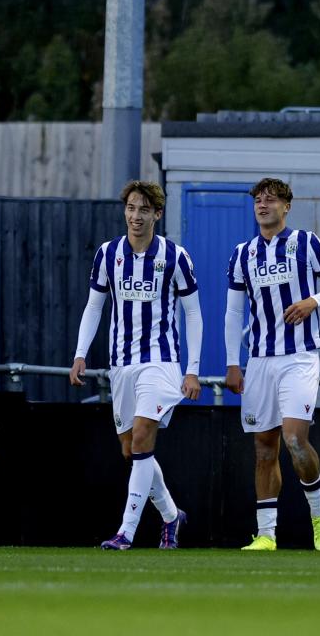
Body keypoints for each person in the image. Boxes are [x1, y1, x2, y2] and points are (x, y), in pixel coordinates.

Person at [69, 180, 203, 550]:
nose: (136, 216)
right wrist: (80, 353)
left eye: (144, 209)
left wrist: (192, 368)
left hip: (160, 362)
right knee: (132, 450)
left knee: (143, 436)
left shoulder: (176, 257)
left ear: (157, 214)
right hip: (121, 366)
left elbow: (193, 313)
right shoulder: (107, 254)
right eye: (131, 208)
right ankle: (173, 517)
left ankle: (126, 532)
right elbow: (94, 306)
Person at [224, 178, 320, 551]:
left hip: (300, 356)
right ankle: (266, 534)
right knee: (264, 448)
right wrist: (233, 362)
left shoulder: (307, 244)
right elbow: (233, 311)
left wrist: (312, 302)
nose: (263, 205)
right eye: (258, 200)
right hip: (260, 359)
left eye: (271, 199)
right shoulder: (243, 253)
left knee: (294, 439)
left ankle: (319, 515)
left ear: (287, 206)